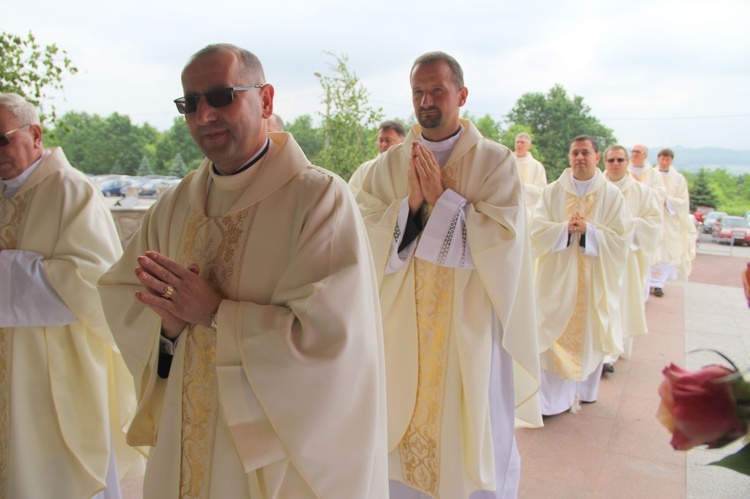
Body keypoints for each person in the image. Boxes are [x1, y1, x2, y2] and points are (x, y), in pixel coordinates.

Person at [98, 44, 388, 498]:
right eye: (190, 103)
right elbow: (123, 297)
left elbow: (334, 343)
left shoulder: (318, 200)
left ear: (266, 100)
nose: (204, 115)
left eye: (220, 96)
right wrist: (166, 331)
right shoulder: (173, 206)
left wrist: (216, 313)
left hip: (263, 451)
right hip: (183, 436)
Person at [355, 51, 540, 499]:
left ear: (462, 94)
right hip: (403, 328)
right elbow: (362, 234)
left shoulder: (495, 163)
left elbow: (503, 243)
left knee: (471, 424)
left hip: (469, 326)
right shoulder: (388, 166)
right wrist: (412, 208)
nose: (426, 100)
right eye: (418, 91)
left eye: (437, 89)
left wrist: (444, 202)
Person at [0, 92, 145, 498]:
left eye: (2, 139)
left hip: (55, 374)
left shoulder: (72, 190)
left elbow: (94, 280)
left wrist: (9, 269)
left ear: (35, 134)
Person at [531, 136, 633, 415]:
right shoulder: (552, 192)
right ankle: (549, 403)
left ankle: (584, 391)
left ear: (597, 157)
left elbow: (623, 238)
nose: (580, 158)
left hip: (593, 281)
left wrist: (591, 231)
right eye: (574, 152)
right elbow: (535, 230)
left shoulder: (612, 196)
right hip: (555, 281)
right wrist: (564, 229)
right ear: (569, 157)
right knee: (549, 334)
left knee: (589, 336)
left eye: (585, 152)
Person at [602, 145, 662, 367]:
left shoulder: (642, 192)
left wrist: (628, 227)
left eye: (620, 160)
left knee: (620, 303)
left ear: (627, 162)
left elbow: (654, 223)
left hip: (626, 259)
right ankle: (599, 350)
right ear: (604, 163)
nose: (615, 164)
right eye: (611, 160)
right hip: (598, 255)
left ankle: (612, 352)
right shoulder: (594, 188)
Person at [649, 148, 693, 292]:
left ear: (671, 160)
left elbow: (683, 200)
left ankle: (659, 285)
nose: (664, 162)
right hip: (653, 216)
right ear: (658, 159)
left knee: (665, 252)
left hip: (668, 219)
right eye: (662, 159)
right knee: (651, 248)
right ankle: (647, 283)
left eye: (667, 159)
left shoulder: (679, 179)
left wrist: (667, 201)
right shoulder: (650, 174)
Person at [348, 120, 406, 197]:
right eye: (381, 140)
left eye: (388, 140)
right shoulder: (365, 168)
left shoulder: (409, 167)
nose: (383, 144)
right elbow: (351, 195)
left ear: (403, 141)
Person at [513, 132, 547, 219]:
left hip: (529, 211)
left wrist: (525, 187)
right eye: (517, 142)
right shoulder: (507, 162)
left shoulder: (536, 166)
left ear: (529, 146)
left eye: (522, 142)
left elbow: (542, 191)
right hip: (509, 208)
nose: (519, 144)